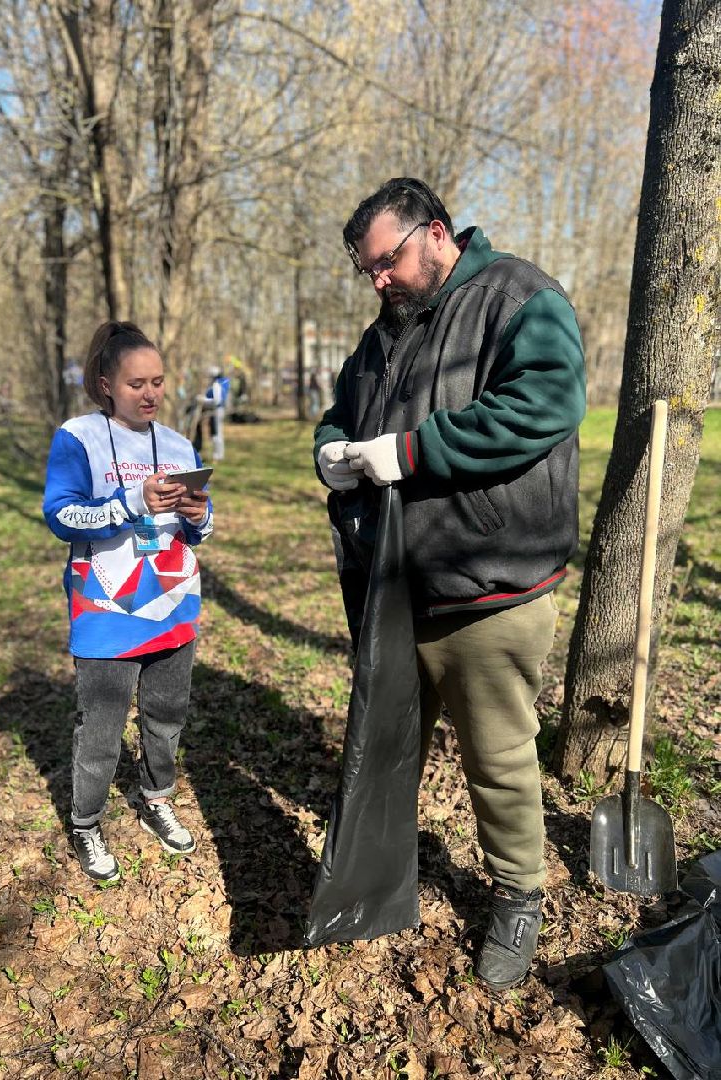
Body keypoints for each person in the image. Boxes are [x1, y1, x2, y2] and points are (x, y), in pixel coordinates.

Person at [313, 178, 586, 990]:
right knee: (382, 747)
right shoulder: (381, 337)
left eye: (386, 263)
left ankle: (517, 900)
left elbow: (544, 404)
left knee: (498, 760)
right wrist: (331, 448)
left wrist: (409, 451)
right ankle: (375, 884)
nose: (379, 282)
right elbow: (341, 411)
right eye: (368, 272)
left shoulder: (518, 298)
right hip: (390, 584)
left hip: (489, 584)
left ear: (435, 233)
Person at [43, 320, 213, 883]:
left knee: (166, 717)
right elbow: (62, 516)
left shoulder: (178, 443)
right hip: (105, 614)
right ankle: (87, 823)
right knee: (102, 727)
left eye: (159, 382)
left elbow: (191, 531)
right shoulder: (78, 436)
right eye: (137, 382)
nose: (151, 393)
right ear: (106, 384)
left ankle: (156, 798)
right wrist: (129, 501)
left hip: (174, 606)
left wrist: (198, 517)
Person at [197, 366, 230, 461]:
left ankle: (218, 455)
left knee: (216, 433)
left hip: (216, 411)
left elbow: (216, 401)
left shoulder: (216, 385)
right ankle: (219, 454)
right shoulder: (220, 384)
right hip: (218, 411)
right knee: (217, 433)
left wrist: (202, 400)